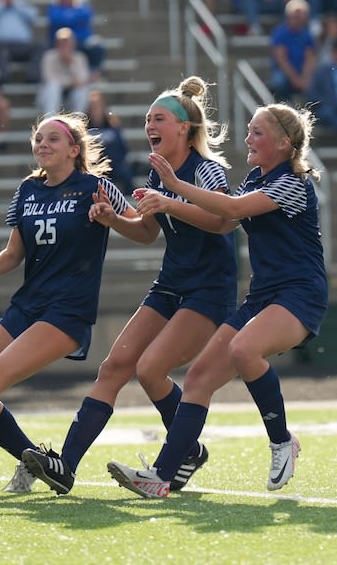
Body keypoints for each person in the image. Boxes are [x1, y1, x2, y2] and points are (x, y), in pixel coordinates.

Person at [20, 77, 236, 495]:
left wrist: (171, 199)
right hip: (170, 285)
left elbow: (223, 223)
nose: (149, 125)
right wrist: (113, 219)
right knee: (114, 368)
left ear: (184, 129)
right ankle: (65, 466)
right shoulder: (159, 173)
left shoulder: (205, 170)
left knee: (151, 370)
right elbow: (148, 232)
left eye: (158, 119)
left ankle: (178, 457)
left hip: (208, 290)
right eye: (147, 119)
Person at [107, 102, 327, 499]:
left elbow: (231, 209)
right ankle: (162, 477)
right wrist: (158, 202)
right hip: (262, 296)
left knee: (244, 349)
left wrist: (171, 190)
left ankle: (281, 441)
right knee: (198, 379)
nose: (247, 139)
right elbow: (222, 218)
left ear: (283, 142)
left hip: (300, 293)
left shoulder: (292, 181)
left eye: (257, 132)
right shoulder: (257, 179)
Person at [0, 113, 136, 496]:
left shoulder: (96, 187)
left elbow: (143, 229)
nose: (43, 145)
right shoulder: (28, 190)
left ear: (74, 149)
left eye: (53, 139)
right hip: (28, 305)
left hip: (67, 311)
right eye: (38, 139)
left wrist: (113, 218)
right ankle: (35, 460)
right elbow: (14, 252)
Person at [46, 0, 106, 78]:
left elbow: (85, 16)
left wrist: (67, 17)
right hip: (61, 45)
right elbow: (57, 20)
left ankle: (94, 73)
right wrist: (74, 18)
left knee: (97, 45)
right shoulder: (53, 8)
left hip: (81, 42)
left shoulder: (83, 7)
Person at [268, 0, 318, 102]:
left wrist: (305, 77)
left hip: (301, 70)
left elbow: (310, 58)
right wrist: (295, 79)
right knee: (279, 82)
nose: (298, 18)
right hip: (284, 71)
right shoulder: (280, 33)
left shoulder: (307, 35)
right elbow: (281, 59)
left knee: (317, 83)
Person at [86, 90, 134, 192]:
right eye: (93, 107)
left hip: (113, 164)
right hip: (93, 164)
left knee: (125, 172)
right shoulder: (84, 129)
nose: (96, 110)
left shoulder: (113, 127)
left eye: (98, 107)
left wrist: (111, 159)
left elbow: (123, 148)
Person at [39, 28, 91, 118]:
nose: (65, 45)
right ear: (56, 43)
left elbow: (83, 79)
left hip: (71, 97)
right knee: (53, 87)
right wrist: (70, 82)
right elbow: (49, 78)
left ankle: (78, 121)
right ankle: (50, 120)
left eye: (67, 42)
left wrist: (70, 63)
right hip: (50, 96)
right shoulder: (49, 56)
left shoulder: (79, 57)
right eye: (62, 42)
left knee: (82, 90)